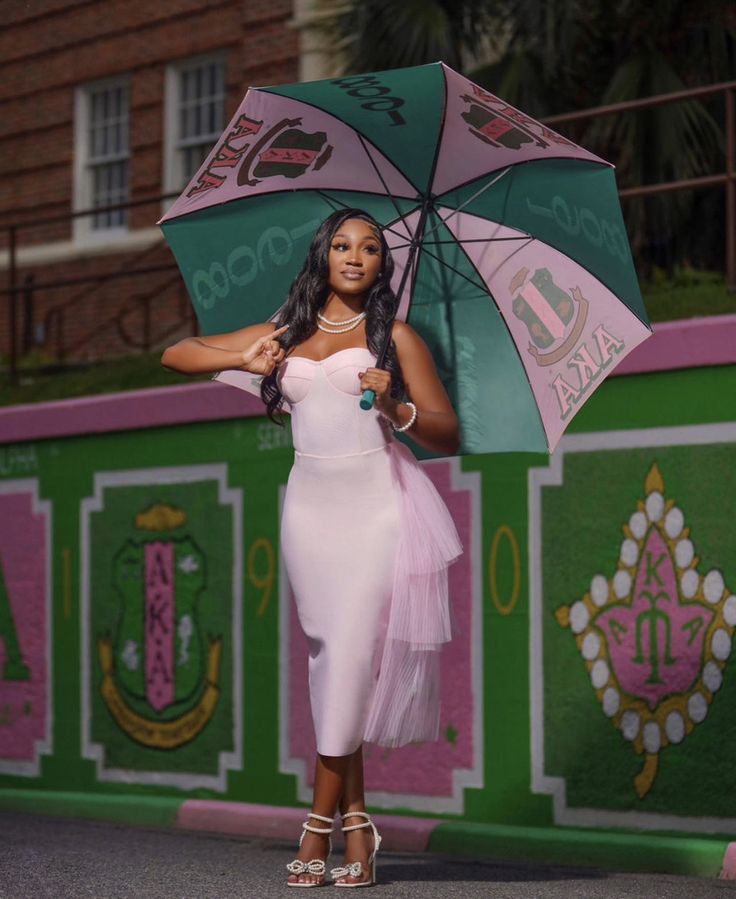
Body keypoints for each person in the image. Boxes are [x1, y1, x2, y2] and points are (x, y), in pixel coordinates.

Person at [162, 209, 462, 887]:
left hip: (376, 508)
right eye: (343, 245)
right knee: (331, 658)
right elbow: (175, 353)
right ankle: (360, 827)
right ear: (322, 255)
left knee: (351, 654)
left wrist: (395, 407)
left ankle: (317, 825)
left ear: (384, 264)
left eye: (371, 248)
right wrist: (242, 357)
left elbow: (447, 432)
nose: (356, 256)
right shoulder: (284, 331)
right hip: (308, 509)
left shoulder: (397, 339)